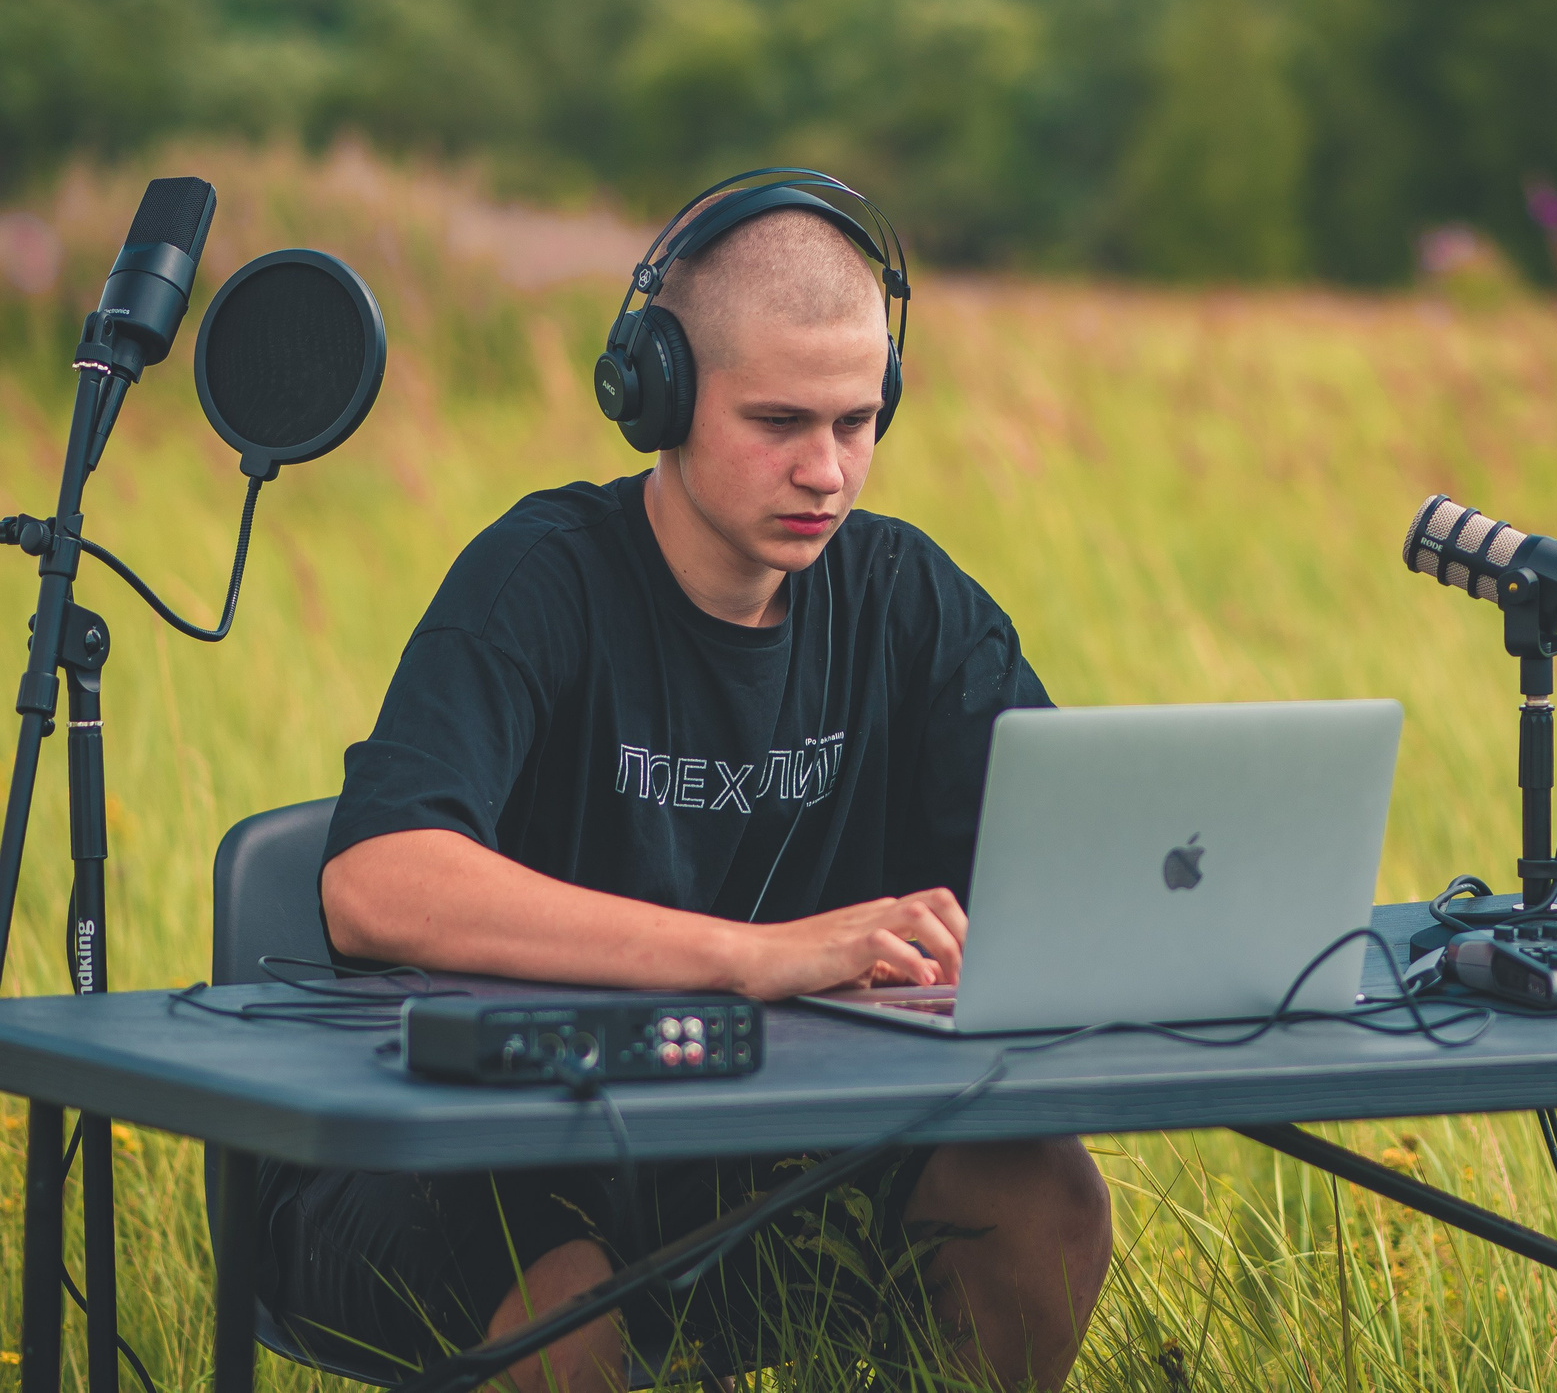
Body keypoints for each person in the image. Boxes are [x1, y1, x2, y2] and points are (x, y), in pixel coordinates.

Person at [256, 174, 1112, 1392]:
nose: (826, 469)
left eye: (857, 422)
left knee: (1041, 1193)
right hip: (474, 1149)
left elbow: (1075, 853)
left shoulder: (907, 600)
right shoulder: (536, 582)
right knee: (568, 1310)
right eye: (777, 422)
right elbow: (376, 880)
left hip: (766, 1149)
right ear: (652, 393)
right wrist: (749, 953)